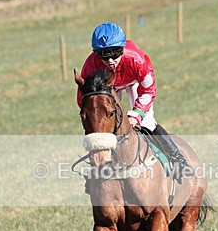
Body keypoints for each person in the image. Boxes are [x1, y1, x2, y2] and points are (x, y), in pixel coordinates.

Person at [77, 21, 188, 180]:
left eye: (115, 53)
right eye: (104, 55)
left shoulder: (137, 59)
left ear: (122, 49)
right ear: (96, 54)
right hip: (109, 89)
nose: (110, 60)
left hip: (135, 84)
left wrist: (137, 114)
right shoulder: (90, 65)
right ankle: (97, 171)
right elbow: (83, 99)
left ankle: (177, 159)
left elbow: (149, 90)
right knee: (106, 126)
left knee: (147, 121)